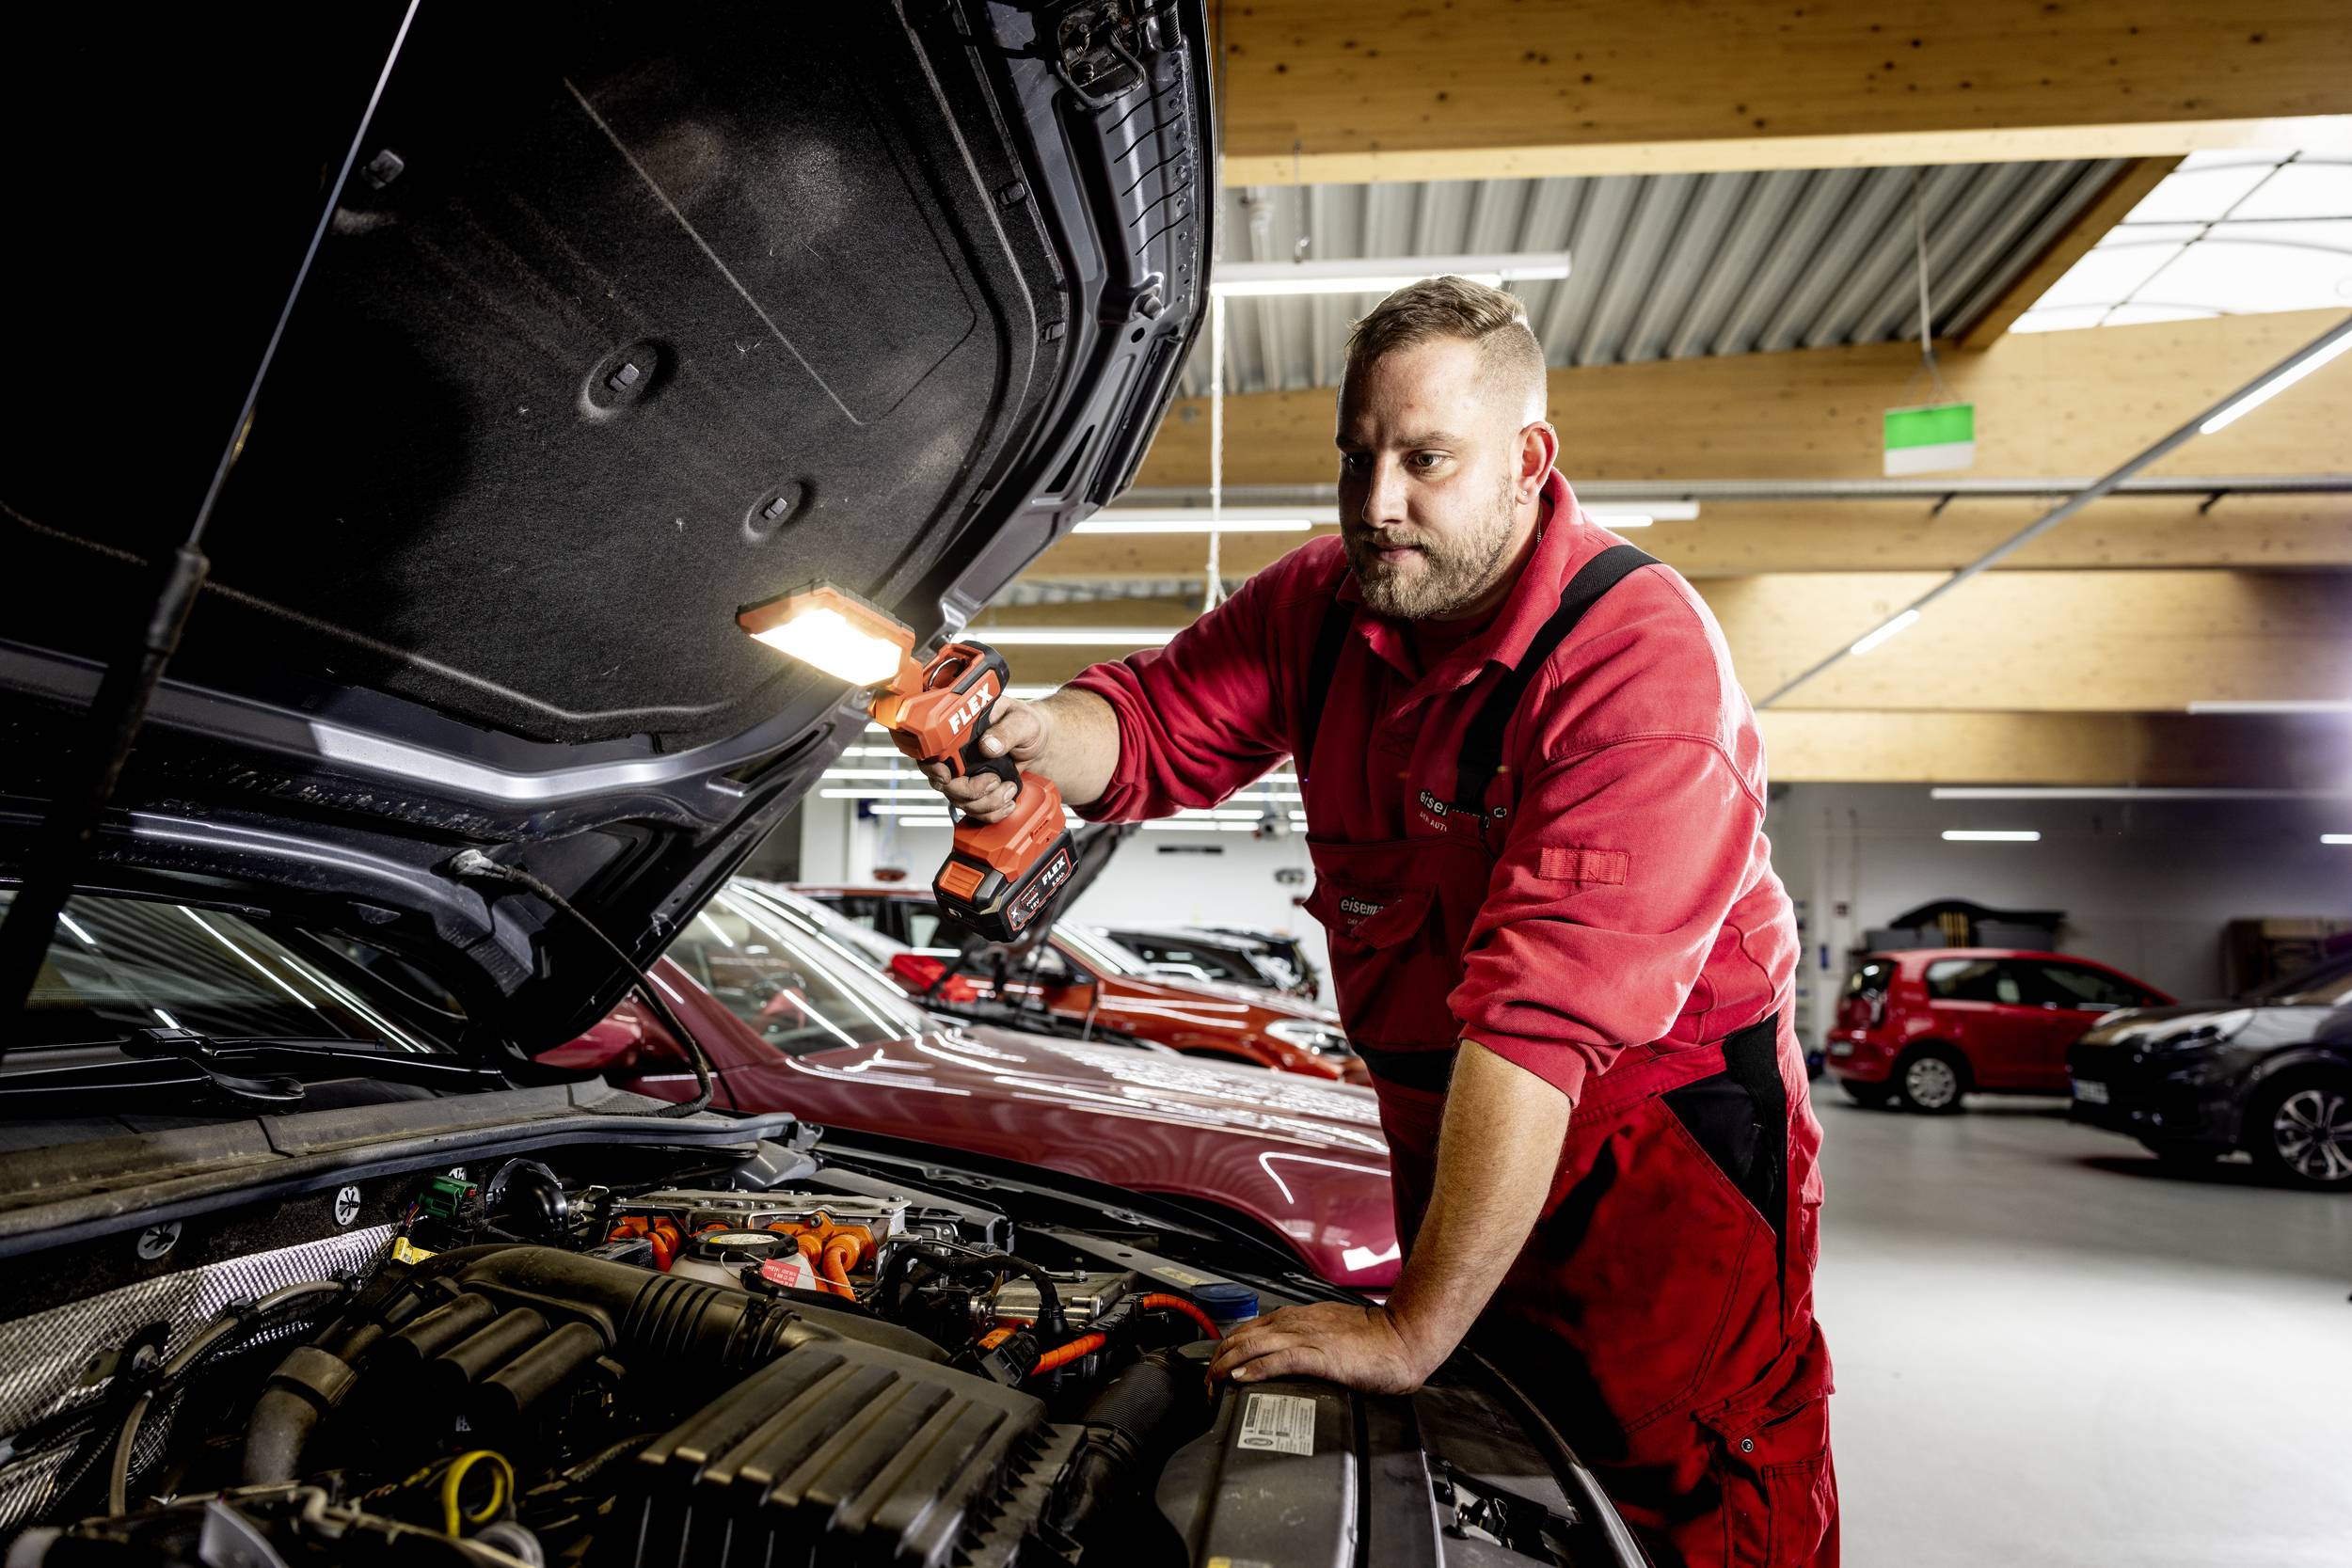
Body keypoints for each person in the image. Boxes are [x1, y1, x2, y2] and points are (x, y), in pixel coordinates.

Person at [925, 277, 1836, 1566]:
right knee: (1498, 1494)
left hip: (1651, 1174)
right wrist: (1029, 735)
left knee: (1684, 1492)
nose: (1375, 503)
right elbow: (1149, 725)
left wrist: (1412, 1329)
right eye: (1357, 457)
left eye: (1425, 460)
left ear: (1528, 461)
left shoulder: (1639, 665)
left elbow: (1533, 1034)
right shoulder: (1326, 602)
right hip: (1459, 1149)